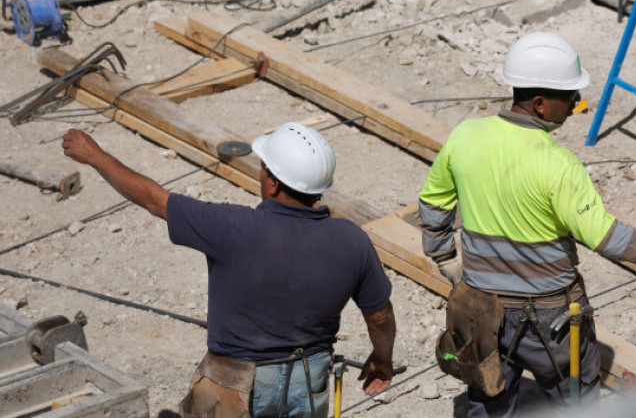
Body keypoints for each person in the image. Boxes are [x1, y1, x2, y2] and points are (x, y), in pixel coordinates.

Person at [419, 32, 636, 417]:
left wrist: (445, 258)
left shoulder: (465, 136)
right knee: (573, 401)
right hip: (550, 320)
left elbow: (433, 202)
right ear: (540, 104)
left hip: (482, 308)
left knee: (487, 395)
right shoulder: (559, 165)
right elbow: (607, 238)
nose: (575, 106)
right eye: (570, 98)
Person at [62, 122, 396, 418]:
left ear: (274, 184)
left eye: (264, 167)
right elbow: (379, 316)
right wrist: (382, 360)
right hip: (307, 383)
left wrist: (96, 156)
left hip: (234, 385)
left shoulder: (231, 226)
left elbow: (154, 200)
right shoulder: (353, 240)